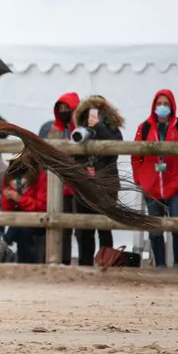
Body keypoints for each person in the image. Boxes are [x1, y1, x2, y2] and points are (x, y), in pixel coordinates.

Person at [132, 90, 178, 269]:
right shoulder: (144, 127)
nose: (162, 107)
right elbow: (136, 156)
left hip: (175, 184)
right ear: (154, 106)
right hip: (151, 186)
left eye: (166, 104)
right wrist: (140, 178)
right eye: (159, 103)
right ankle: (159, 264)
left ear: (172, 106)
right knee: (155, 230)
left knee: (177, 226)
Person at [71, 95, 123, 266]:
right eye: (90, 113)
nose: (92, 116)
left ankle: (105, 261)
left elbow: (115, 148)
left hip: (106, 186)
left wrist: (99, 127)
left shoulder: (112, 129)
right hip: (84, 186)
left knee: (104, 227)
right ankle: (85, 262)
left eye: (97, 112)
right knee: (84, 227)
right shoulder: (81, 130)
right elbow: (73, 155)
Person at [0, 156, 48, 264]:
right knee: (22, 229)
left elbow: (42, 207)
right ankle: (23, 263)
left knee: (22, 226)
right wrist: (8, 198)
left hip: (38, 219)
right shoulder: (9, 177)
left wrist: (19, 198)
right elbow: (7, 210)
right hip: (19, 222)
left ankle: (2, 245)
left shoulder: (40, 177)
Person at [46, 92, 80, 265]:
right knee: (64, 228)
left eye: (67, 108)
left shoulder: (82, 130)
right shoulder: (55, 130)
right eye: (61, 108)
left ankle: (85, 260)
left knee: (82, 227)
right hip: (62, 186)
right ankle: (64, 261)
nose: (64, 111)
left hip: (80, 186)